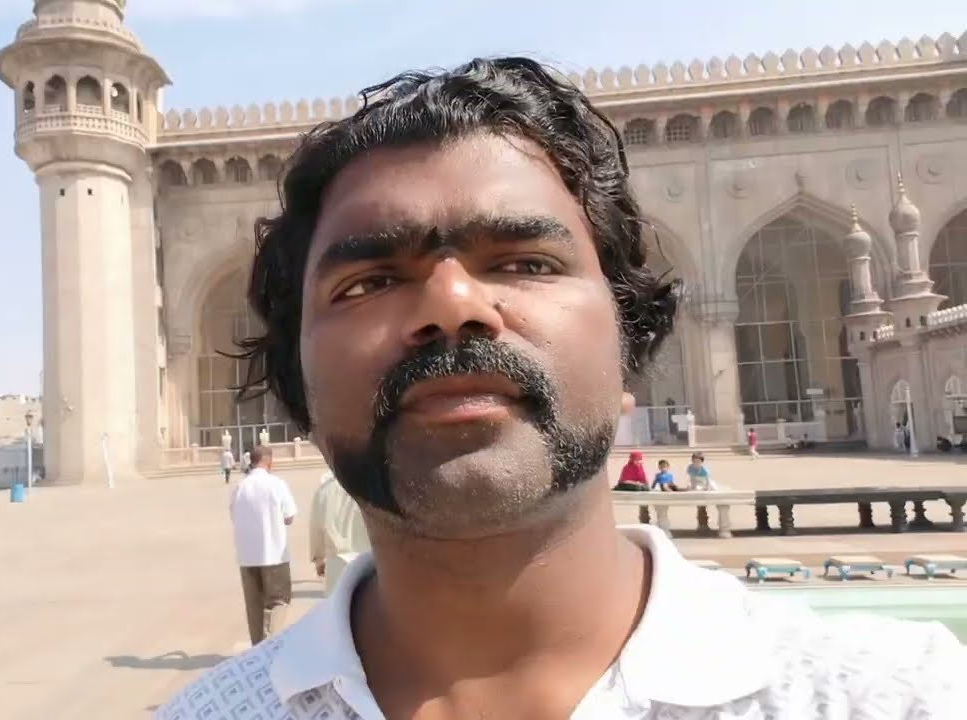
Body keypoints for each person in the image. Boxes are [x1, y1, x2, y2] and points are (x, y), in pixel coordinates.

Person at [158, 58, 963, 719]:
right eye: (369, 282)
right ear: (296, 382)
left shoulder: (898, 697)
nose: (453, 304)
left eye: (525, 263)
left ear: (632, 347)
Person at [228, 445, 297, 647]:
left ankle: (257, 647)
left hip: (247, 556)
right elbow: (289, 516)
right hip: (274, 553)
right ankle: (271, 642)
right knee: (278, 600)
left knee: (254, 605)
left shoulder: (240, 487)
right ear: (269, 461)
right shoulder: (276, 484)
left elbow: (234, 516)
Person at [309, 470, 371, 593]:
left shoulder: (324, 492)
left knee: (338, 609)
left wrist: (318, 560)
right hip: (368, 564)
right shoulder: (371, 487)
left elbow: (316, 530)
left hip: (337, 564)